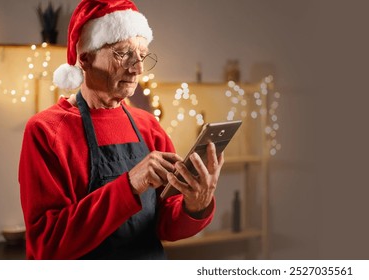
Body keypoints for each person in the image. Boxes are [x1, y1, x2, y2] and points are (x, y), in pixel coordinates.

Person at [18, 0, 223, 259]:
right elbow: (47, 246)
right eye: (123, 53)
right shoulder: (46, 131)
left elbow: (164, 225)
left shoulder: (149, 126)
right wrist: (129, 185)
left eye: (142, 56)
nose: (137, 69)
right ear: (85, 58)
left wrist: (196, 206)